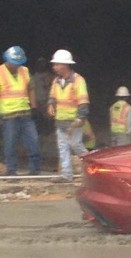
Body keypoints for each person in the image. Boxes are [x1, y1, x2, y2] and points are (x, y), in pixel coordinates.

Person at [47, 49, 89, 183]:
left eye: (56, 64)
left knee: (76, 144)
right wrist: (50, 104)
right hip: (60, 121)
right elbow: (52, 96)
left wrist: (80, 118)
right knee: (63, 147)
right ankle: (66, 174)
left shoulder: (78, 80)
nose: (54, 67)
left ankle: (91, 169)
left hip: (73, 121)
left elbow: (83, 102)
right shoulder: (56, 81)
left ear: (64, 65)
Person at [0, 46, 41, 176]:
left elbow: (31, 89)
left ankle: (35, 170)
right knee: (10, 144)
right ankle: (11, 170)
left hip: (26, 114)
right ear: (7, 59)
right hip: (8, 115)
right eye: (14, 63)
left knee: (33, 141)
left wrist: (34, 107)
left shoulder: (24, 70)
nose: (16, 66)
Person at [31, 57, 55, 135]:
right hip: (37, 99)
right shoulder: (33, 76)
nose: (41, 66)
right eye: (40, 64)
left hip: (47, 99)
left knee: (48, 117)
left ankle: (49, 131)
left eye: (43, 64)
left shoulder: (50, 76)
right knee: (38, 117)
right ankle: (40, 131)